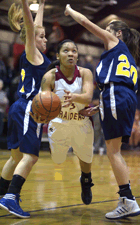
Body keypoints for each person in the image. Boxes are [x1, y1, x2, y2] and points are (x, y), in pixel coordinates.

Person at [64, 4, 140, 220]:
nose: (104, 32)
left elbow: (86, 23)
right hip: (119, 98)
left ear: (118, 33)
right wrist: (99, 107)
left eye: (108, 28)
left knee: (113, 151)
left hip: (116, 97)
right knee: (113, 150)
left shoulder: (115, 44)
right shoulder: (127, 58)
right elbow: (121, 86)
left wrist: (70, 10)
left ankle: (128, 200)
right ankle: (126, 200)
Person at [0, 0, 50, 218]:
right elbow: (31, 28)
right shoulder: (33, 53)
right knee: (31, 157)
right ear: (31, 39)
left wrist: (42, 5)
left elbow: (36, 26)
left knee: (15, 158)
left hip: (17, 108)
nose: (45, 38)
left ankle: (2, 194)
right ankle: (10, 198)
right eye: (42, 36)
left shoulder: (35, 55)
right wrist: (23, 2)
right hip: (29, 108)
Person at [31, 39, 95, 206]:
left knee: (85, 158)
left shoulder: (85, 73)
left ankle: (86, 181)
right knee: (58, 159)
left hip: (81, 120)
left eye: (74, 51)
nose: (71, 54)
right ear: (58, 55)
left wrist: (73, 97)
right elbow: (43, 102)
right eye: (66, 51)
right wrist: (42, 115)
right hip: (59, 122)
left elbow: (88, 97)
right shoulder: (49, 77)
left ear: (78, 56)